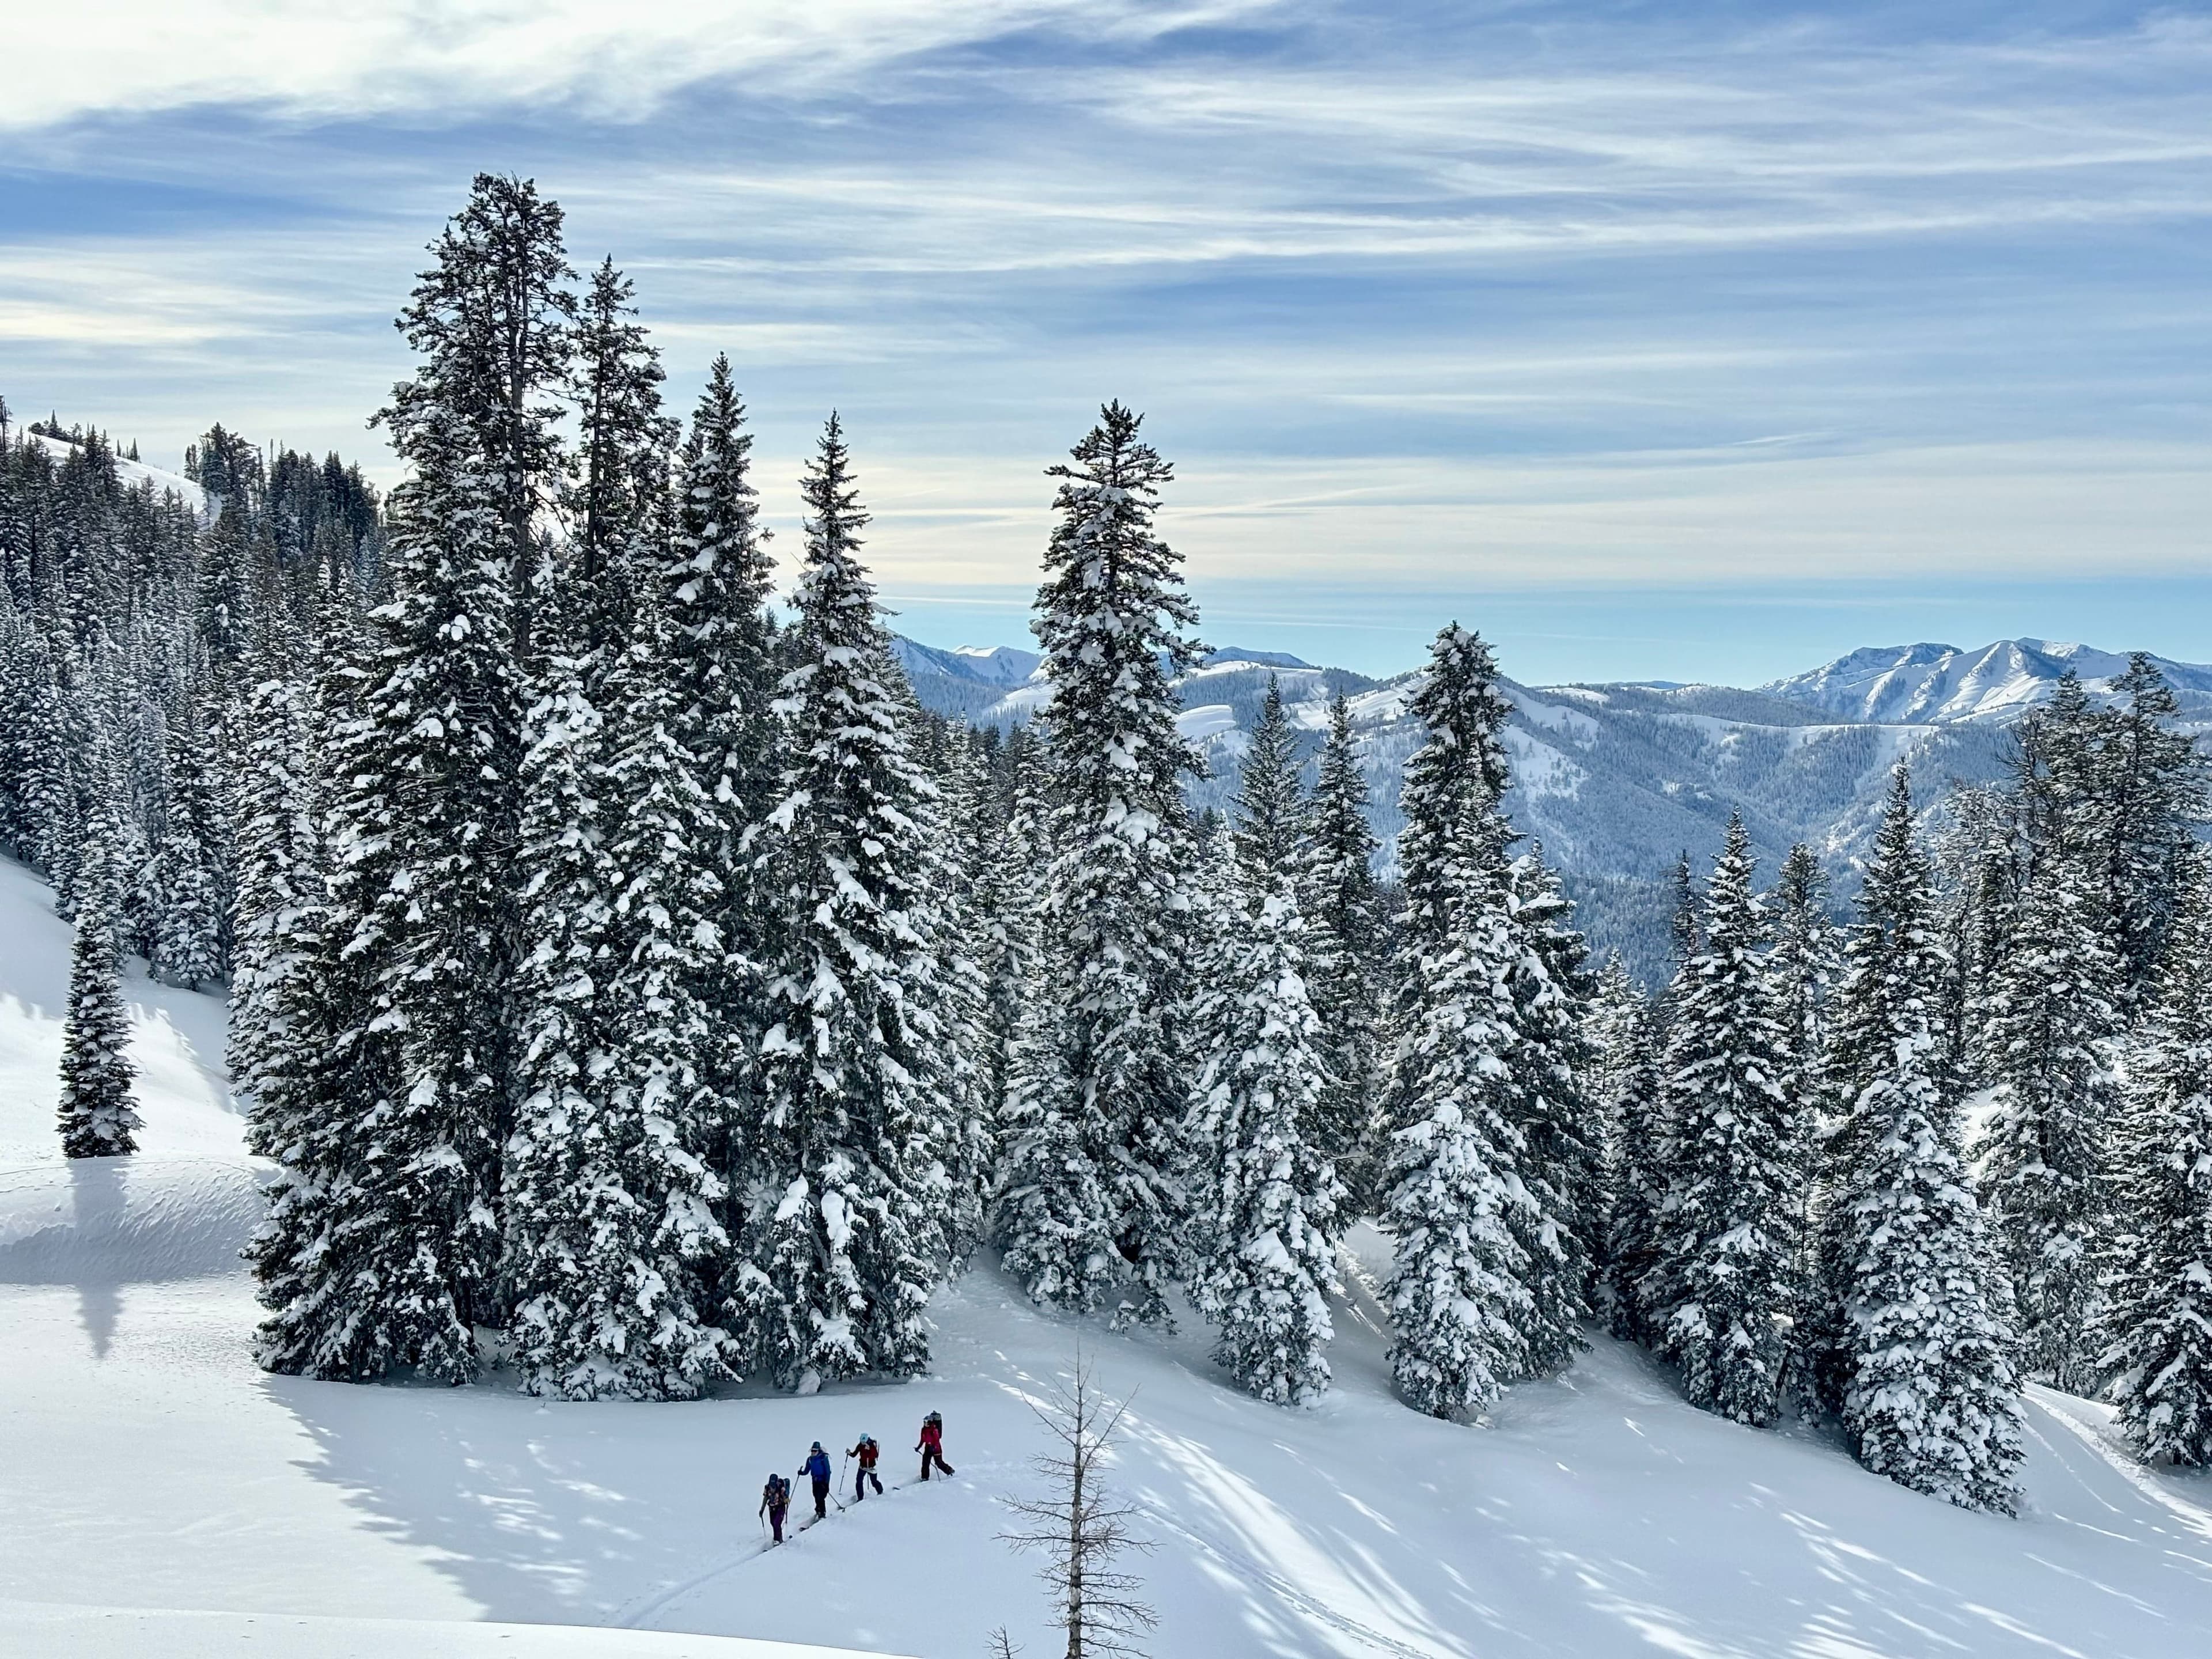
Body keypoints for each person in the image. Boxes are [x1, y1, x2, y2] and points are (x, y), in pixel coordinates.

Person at [800, 1441, 834, 1521]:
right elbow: (807, 1470)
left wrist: (827, 1483)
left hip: (823, 1481)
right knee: (815, 1495)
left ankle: (822, 1512)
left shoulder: (823, 1458)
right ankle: (818, 1509)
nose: (813, 1452)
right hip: (815, 1481)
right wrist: (802, 1473)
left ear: (819, 1451)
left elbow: (828, 1471)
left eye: (815, 1451)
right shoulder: (810, 1460)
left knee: (821, 1497)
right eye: (812, 1451)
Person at [916, 1411, 955, 1481]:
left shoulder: (934, 1430)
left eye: (927, 1422)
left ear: (930, 1422)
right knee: (925, 1463)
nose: (925, 1423)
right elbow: (923, 1440)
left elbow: (937, 1440)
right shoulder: (924, 1430)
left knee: (939, 1463)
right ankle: (925, 1478)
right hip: (928, 1448)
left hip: (936, 1449)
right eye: (924, 1422)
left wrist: (934, 1447)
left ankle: (950, 1471)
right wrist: (918, 1447)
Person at [847, 1434, 884, 1502]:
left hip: (871, 1467)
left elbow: (876, 1455)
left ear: (867, 1440)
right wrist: (849, 1453)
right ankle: (860, 1498)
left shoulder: (872, 1444)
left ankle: (880, 1492)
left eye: (863, 1442)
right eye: (861, 1441)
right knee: (859, 1481)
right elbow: (854, 1454)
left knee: (874, 1482)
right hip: (862, 1466)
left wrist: (870, 1449)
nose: (862, 1443)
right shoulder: (860, 1445)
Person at [760, 1472, 791, 1544]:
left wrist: (786, 1500)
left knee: (777, 1523)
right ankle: (777, 1538)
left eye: (773, 1486)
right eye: (771, 1486)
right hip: (772, 1508)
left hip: (780, 1507)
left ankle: (778, 1539)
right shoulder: (767, 1488)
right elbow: (765, 1498)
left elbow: (785, 1497)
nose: (772, 1488)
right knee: (773, 1523)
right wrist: (762, 1509)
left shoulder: (780, 1488)